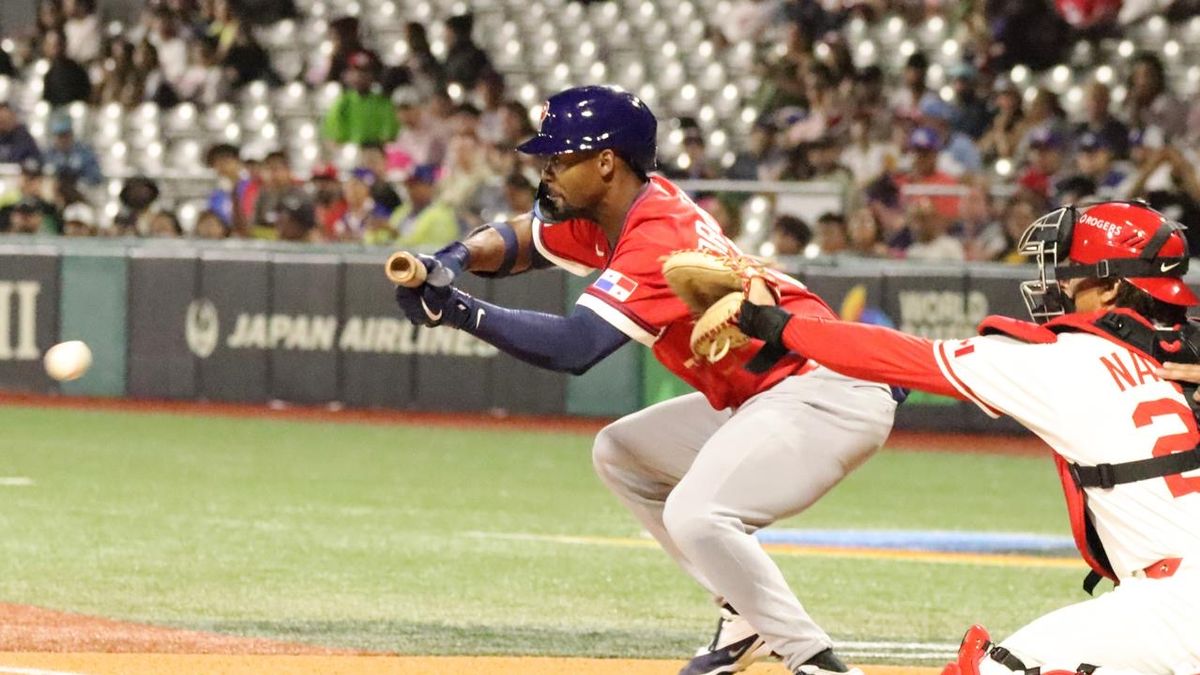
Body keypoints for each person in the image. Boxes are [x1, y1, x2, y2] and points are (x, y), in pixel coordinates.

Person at [391, 85, 897, 675]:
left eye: (559, 158)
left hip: (824, 388)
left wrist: (458, 310)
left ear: (605, 162)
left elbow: (575, 348)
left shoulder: (659, 235)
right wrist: (450, 259)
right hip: (767, 393)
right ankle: (745, 613)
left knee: (697, 513)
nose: (546, 171)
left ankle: (814, 661)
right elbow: (523, 239)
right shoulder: (616, 208)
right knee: (623, 453)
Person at [737, 200, 1200, 675]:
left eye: (1073, 272)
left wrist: (784, 327)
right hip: (1170, 604)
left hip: (1175, 607)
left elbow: (899, 356)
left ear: (1108, 288)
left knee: (986, 670)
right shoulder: (1185, 357)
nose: (1060, 283)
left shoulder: (1063, 360)